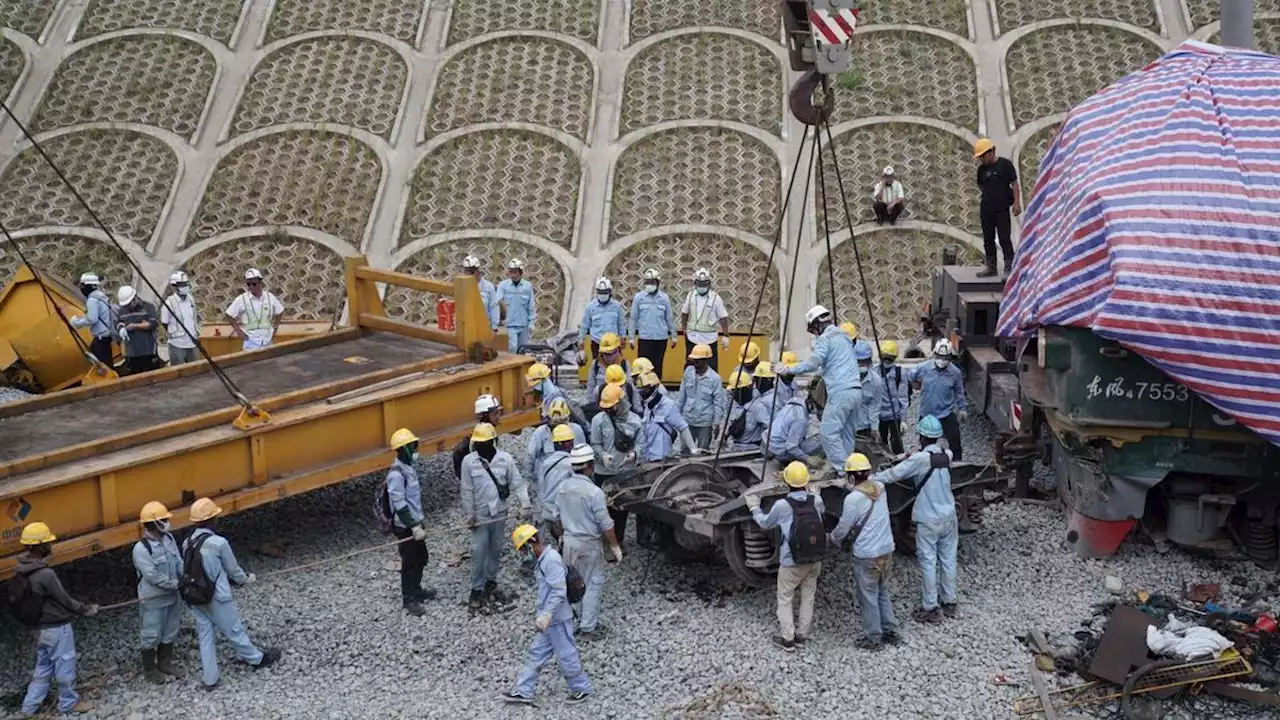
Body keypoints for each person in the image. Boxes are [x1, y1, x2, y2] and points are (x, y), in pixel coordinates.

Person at [183, 498, 281, 689]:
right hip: (217, 597)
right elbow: (233, 570)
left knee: (205, 635)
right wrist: (246, 580)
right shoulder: (219, 543)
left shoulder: (187, 542)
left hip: (195, 595)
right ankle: (256, 659)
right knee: (234, 630)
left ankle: (210, 678)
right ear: (212, 519)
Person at [874, 416, 958, 623]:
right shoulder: (947, 454)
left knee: (928, 561)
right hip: (949, 515)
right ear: (938, 437)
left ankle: (930, 607)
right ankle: (950, 601)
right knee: (948, 559)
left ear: (921, 436)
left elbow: (893, 474)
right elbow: (931, 458)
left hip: (928, 518)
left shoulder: (919, 460)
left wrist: (868, 479)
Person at [501, 524, 592, 705]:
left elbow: (559, 590)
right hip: (549, 620)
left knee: (566, 654)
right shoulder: (543, 560)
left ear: (530, 544)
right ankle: (524, 691)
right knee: (536, 653)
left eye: (523, 550)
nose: (523, 555)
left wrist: (547, 614)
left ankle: (582, 688)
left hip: (557, 618)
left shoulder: (550, 560)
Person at [15, 522, 98, 716]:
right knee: (65, 664)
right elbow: (65, 600)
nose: (51, 546)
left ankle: (29, 707)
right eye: (48, 543)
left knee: (43, 667)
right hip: (57, 628)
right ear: (40, 546)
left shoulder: (22, 570)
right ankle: (68, 703)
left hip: (40, 629)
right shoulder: (45, 574)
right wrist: (86, 609)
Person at [744, 462, 825, 652]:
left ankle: (788, 640)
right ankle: (802, 635)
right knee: (808, 596)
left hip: (791, 561)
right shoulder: (817, 501)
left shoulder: (782, 505)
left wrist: (754, 507)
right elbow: (819, 512)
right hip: (815, 558)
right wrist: (815, 493)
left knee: (785, 598)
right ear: (806, 481)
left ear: (786, 482)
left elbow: (765, 524)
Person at [829, 453, 900, 650]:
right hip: (887, 549)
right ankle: (890, 630)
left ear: (850, 476)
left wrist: (833, 539)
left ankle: (873, 638)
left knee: (867, 595)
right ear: (868, 472)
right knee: (882, 590)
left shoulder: (852, 500)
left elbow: (843, 528)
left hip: (867, 555)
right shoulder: (881, 489)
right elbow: (869, 483)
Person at [783, 305, 863, 474]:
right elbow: (836, 363)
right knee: (847, 434)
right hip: (856, 391)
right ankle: (849, 465)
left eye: (813, 330)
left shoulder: (825, 339)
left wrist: (788, 369)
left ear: (817, 324)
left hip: (840, 392)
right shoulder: (844, 336)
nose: (815, 334)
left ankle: (843, 471)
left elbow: (813, 363)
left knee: (828, 433)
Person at [556, 445, 623, 641]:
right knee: (593, 584)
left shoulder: (563, 488)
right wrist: (615, 547)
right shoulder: (594, 493)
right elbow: (606, 524)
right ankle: (588, 628)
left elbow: (556, 517)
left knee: (573, 582)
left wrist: (561, 536)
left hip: (569, 541)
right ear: (590, 466)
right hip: (588, 543)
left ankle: (574, 620)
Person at [460, 422, 530, 609]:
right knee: (478, 551)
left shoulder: (505, 459)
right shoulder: (468, 462)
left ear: (493, 441)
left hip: (500, 513)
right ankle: (476, 588)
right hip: (480, 516)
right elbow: (466, 490)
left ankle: (490, 581)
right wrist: (470, 514)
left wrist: (525, 504)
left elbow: (517, 483)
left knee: (495, 548)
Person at [386, 428, 436, 617]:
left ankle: (417, 589)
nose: (416, 448)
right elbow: (400, 505)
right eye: (413, 446)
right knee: (409, 562)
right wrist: (414, 527)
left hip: (416, 523)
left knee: (421, 558)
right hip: (405, 527)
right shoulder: (396, 475)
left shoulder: (409, 469)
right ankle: (409, 599)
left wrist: (419, 522)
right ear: (404, 449)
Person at [132, 502, 183, 684]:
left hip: (173, 596)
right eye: (164, 520)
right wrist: (176, 584)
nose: (167, 522)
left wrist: (184, 577)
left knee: (170, 630)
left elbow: (178, 561)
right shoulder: (141, 549)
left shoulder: (169, 539)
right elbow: (152, 576)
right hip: (153, 599)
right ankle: (150, 669)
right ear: (154, 524)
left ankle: (165, 663)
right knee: (151, 634)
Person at [909, 340, 967, 460]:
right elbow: (910, 375)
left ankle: (957, 466)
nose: (942, 360)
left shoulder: (955, 373)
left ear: (950, 357)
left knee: (955, 442)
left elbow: (959, 392)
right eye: (940, 356)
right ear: (934, 354)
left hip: (945, 412)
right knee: (925, 445)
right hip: (927, 413)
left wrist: (962, 409)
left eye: (945, 357)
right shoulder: (924, 368)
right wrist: (916, 385)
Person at [973, 138, 1021, 276]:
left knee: (1004, 237)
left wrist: (1016, 202)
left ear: (991, 152)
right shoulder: (981, 170)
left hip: (1002, 209)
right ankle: (991, 267)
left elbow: (1015, 184)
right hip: (987, 209)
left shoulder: (1005, 165)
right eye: (979, 157)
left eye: (983, 156)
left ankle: (1009, 266)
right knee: (988, 238)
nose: (981, 159)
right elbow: (981, 186)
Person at [637, 371, 701, 461]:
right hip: (648, 458)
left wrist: (693, 448)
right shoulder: (648, 407)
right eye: (642, 389)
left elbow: (683, 427)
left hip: (662, 459)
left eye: (646, 389)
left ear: (655, 388)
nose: (643, 392)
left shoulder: (669, 405)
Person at [675, 344, 728, 449]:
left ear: (705, 360)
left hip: (705, 423)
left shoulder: (715, 379)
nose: (695, 363)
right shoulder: (688, 373)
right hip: (688, 420)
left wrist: (716, 424)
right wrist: (676, 417)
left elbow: (718, 403)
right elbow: (682, 397)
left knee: (703, 454)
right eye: (694, 360)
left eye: (698, 360)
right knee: (685, 451)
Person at [527, 398, 586, 488]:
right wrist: (528, 481)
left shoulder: (576, 430)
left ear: (568, 419)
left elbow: (583, 455)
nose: (558, 427)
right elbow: (530, 456)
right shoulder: (541, 433)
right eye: (555, 423)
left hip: (570, 479)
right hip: (547, 481)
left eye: (561, 422)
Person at [679, 268, 730, 369]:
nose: (701, 286)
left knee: (710, 367)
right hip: (692, 338)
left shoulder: (716, 298)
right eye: (699, 284)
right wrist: (684, 328)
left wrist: (726, 335)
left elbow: (723, 317)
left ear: (709, 284)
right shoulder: (691, 295)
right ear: (695, 283)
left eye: (704, 284)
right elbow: (685, 313)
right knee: (691, 367)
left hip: (709, 339)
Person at [628, 268, 677, 372]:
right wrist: (631, 338)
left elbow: (669, 318)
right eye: (647, 282)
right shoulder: (639, 298)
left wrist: (674, 336)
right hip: (645, 338)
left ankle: (656, 387)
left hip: (660, 339)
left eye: (652, 282)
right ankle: (643, 388)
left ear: (658, 283)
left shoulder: (664, 298)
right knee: (642, 367)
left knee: (657, 366)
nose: (650, 284)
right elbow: (633, 318)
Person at [225, 268, 284, 351]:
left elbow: (280, 311)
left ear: (260, 282)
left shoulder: (270, 297)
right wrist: (238, 331)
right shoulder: (241, 299)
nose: (251, 286)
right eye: (248, 284)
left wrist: (275, 328)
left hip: (267, 341)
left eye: (254, 283)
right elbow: (229, 314)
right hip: (250, 343)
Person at [589, 384, 641, 474]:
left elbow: (641, 443)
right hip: (604, 472)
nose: (608, 410)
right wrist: (602, 456)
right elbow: (595, 444)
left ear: (621, 402)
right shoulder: (598, 420)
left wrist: (634, 454)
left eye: (611, 407)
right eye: (606, 408)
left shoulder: (635, 420)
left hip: (627, 471)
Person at [539, 424, 578, 539]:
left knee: (561, 545)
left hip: (548, 513)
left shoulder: (546, 463)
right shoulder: (571, 464)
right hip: (562, 516)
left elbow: (542, 487)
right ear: (568, 443)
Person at [115, 285, 163, 374]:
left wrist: (135, 326)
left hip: (148, 351)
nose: (128, 306)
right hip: (131, 353)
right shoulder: (122, 310)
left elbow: (153, 324)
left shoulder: (148, 307)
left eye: (129, 303)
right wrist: (121, 329)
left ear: (135, 298)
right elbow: (119, 322)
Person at [69, 272, 114, 367]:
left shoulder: (92, 300)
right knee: (107, 363)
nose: (81, 288)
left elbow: (92, 319)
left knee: (103, 366)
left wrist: (77, 322)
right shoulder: (101, 296)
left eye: (83, 285)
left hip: (100, 337)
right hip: (107, 335)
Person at [454, 394, 503, 479]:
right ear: (484, 415)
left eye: (499, 412)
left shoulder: (488, 435)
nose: (498, 416)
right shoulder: (474, 441)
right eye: (495, 413)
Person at [766, 391, 823, 463]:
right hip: (778, 452)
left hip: (768, 443)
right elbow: (791, 446)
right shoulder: (801, 419)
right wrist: (808, 458)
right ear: (811, 403)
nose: (820, 411)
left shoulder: (794, 402)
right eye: (819, 408)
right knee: (822, 439)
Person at [876, 341, 911, 454]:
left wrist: (904, 420)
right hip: (879, 416)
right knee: (880, 444)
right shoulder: (874, 372)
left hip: (894, 415)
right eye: (885, 358)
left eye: (889, 358)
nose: (886, 361)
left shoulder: (900, 373)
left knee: (896, 444)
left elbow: (903, 398)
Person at [579, 278, 626, 359]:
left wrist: (623, 337)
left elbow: (621, 323)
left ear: (610, 292)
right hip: (597, 343)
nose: (603, 295)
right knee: (598, 368)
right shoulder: (590, 307)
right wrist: (581, 339)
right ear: (597, 292)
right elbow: (584, 324)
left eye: (605, 292)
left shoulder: (617, 306)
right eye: (600, 292)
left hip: (613, 343)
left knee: (615, 368)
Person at [160, 271, 200, 365]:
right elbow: (164, 323)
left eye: (185, 284)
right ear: (174, 287)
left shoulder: (190, 299)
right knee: (178, 373)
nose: (185, 287)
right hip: (177, 345)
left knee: (195, 372)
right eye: (182, 284)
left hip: (192, 343)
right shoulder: (169, 303)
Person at [496, 258, 536, 354]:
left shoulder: (527, 286)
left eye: (515, 272)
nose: (513, 275)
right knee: (513, 348)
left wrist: (531, 323)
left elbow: (531, 306)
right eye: (511, 272)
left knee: (523, 350)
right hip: (510, 325)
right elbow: (497, 302)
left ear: (520, 272)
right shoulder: (503, 286)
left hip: (524, 325)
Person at [583, 333, 632, 406]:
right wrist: (590, 407)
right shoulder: (595, 365)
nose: (608, 357)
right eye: (606, 354)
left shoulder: (624, 365)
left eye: (612, 353)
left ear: (618, 350)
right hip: (601, 405)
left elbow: (631, 389)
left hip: (620, 405)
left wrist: (638, 411)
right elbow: (590, 387)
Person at [461, 254, 501, 331]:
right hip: (467, 327)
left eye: (471, 271)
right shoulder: (461, 286)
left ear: (478, 271)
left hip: (484, 327)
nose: (468, 274)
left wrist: (494, 327)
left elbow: (494, 307)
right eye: (466, 271)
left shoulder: (488, 287)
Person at [854, 341, 881, 443]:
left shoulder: (876, 381)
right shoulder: (844, 378)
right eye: (858, 361)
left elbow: (874, 405)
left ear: (869, 361)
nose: (861, 364)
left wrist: (874, 428)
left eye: (864, 361)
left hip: (863, 427)